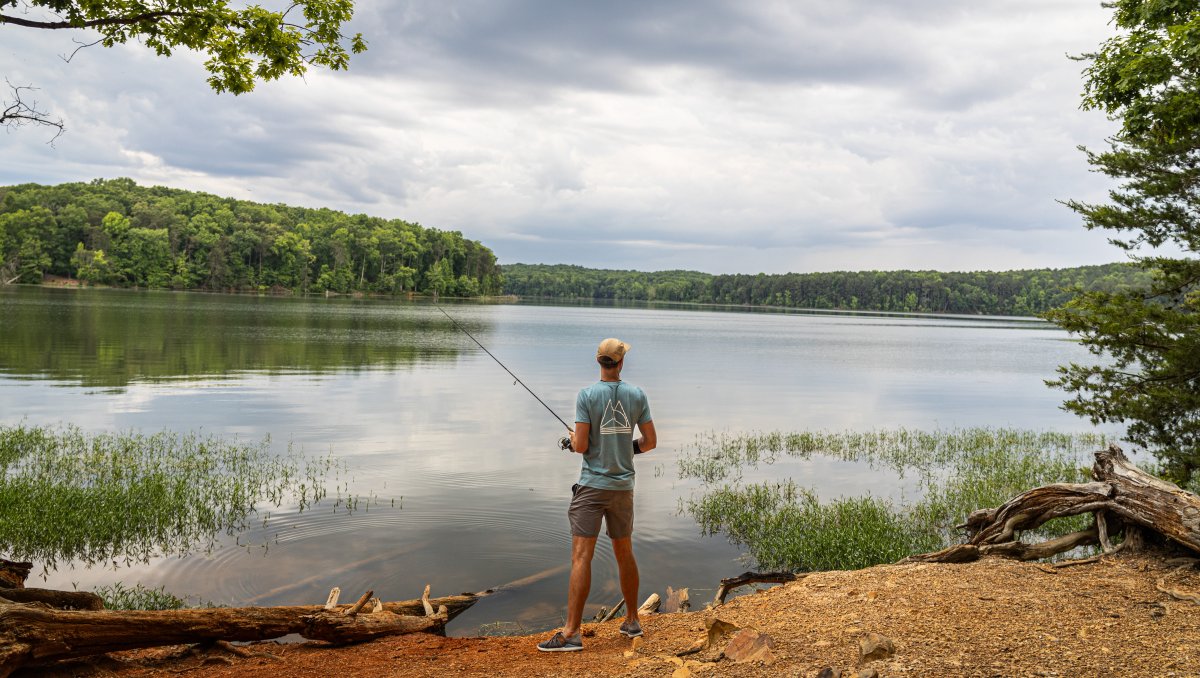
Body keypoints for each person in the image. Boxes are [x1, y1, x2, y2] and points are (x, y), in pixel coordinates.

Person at [537, 337, 657, 652]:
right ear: (620, 362)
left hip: (592, 487)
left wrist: (570, 441)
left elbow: (580, 446)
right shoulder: (636, 395)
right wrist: (625, 449)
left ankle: (572, 633)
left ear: (598, 362)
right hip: (623, 488)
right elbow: (649, 442)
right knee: (624, 553)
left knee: (581, 557)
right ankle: (632, 621)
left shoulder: (586, 396)